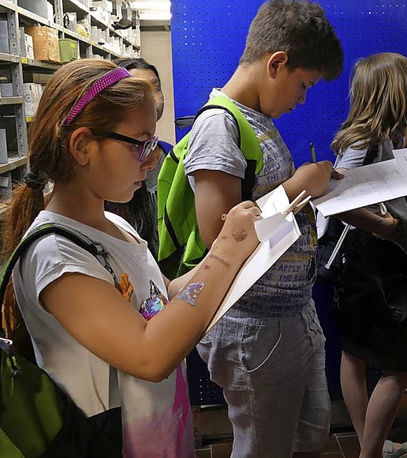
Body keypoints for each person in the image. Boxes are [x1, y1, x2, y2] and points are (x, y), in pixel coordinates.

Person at [0, 59, 261, 457]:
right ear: (82, 146)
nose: (153, 158)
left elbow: (157, 298)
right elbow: (149, 353)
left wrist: (234, 255)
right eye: (140, 143)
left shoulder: (111, 223)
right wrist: (224, 253)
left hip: (157, 433)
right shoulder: (55, 255)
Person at [186, 0, 343, 457]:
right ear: (276, 63)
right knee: (262, 447)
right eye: (304, 85)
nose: (302, 99)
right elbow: (220, 239)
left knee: (309, 433)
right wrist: (299, 185)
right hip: (252, 325)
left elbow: (265, 208)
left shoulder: (258, 120)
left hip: (291, 311)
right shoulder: (220, 126)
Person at [330, 53, 407, 458]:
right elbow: (334, 199)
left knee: (353, 354)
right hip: (374, 265)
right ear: (394, 91)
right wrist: (384, 226)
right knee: (402, 365)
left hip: (357, 266)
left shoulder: (366, 136)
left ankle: (373, 445)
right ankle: (371, 454)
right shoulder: (367, 139)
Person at [105, 57, 169, 259]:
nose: (151, 97)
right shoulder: (104, 179)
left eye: (155, 88)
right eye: (138, 89)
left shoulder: (173, 158)